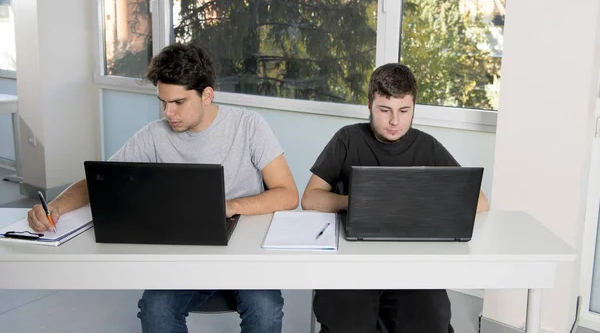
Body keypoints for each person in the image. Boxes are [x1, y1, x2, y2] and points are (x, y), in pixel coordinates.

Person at [27, 43, 299, 333]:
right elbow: (100, 181)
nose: (168, 113)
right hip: (183, 252)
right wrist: (56, 206)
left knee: (265, 310)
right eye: (163, 102)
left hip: (244, 251)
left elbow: (287, 194)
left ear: (206, 95)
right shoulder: (154, 136)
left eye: (178, 102)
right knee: (156, 309)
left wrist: (231, 206)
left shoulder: (248, 126)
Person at [301, 63, 489, 333]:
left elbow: (481, 201)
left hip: (411, 264)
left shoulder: (427, 146)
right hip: (354, 264)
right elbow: (310, 199)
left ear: (414, 108)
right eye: (384, 110)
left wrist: (419, 203)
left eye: (404, 111)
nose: (394, 121)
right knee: (346, 322)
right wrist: (360, 202)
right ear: (369, 105)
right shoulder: (347, 139)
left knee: (432, 321)